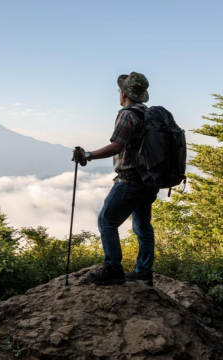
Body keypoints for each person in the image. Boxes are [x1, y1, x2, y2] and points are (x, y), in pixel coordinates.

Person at [74, 72, 159, 286]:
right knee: (143, 227)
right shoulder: (148, 114)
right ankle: (143, 272)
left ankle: (113, 269)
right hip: (149, 181)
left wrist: (88, 155)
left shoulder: (127, 114)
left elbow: (117, 146)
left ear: (124, 93)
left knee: (106, 221)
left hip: (130, 181)